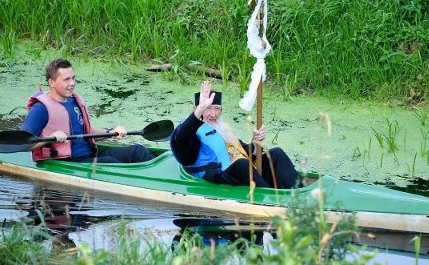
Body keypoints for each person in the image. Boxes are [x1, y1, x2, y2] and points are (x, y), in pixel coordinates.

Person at [170, 80, 300, 188]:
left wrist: (255, 142)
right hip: (215, 177)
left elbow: (242, 152)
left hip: (239, 173)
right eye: (208, 108)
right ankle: (269, 198)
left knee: (276, 153)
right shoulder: (191, 133)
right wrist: (200, 109)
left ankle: (297, 193)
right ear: (196, 109)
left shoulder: (222, 128)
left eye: (217, 109)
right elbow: (182, 138)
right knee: (242, 164)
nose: (213, 114)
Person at [21, 58, 153, 163]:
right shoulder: (41, 109)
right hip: (68, 161)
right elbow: (23, 144)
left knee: (137, 150)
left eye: (73, 78)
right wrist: (50, 139)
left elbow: (88, 132)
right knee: (109, 162)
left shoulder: (75, 101)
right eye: (67, 79)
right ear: (51, 82)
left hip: (90, 155)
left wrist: (111, 132)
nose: (72, 83)